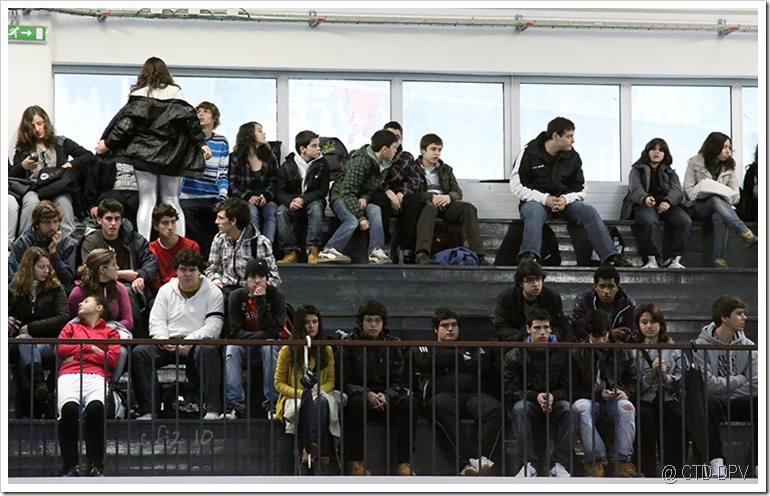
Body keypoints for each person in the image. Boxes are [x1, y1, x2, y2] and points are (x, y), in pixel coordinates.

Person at [96, 56, 212, 241]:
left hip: (143, 156)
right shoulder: (176, 93)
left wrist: (107, 143)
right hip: (172, 155)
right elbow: (190, 123)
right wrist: (202, 144)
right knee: (172, 200)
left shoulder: (140, 95)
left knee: (147, 200)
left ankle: (143, 245)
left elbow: (125, 125)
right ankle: (179, 244)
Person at [510, 116, 631, 267]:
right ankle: (529, 257)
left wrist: (565, 200)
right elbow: (517, 186)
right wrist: (544, 199)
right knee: (532, 211)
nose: (573, 140)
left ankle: (611, 257)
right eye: (569, 136)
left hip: (565, 204)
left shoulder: (573, 157)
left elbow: (581, 188)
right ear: (555, 136)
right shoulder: (528, 153)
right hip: (537, 202)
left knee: (588, 211)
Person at [131, 249, 225, 420]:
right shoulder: (166, 290)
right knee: (140, 353)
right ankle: (148, 410)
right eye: (183, 269)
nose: (187, 274)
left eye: (192, 270)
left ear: (200, 271)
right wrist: (162, 340)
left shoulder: (213, 292)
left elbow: (214, 325)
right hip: (169, 341)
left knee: (208, 351)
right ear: (176, 270)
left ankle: (213, 408)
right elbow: (156, 320)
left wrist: (191, 340)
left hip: (198, 342)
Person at [414, 308, 503, 476]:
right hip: (443, 395)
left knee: (494, 409)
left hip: (472, 394)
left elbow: (482, 366)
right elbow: (426, 362)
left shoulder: (471, 347)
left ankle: (482, 459)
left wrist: (446, 363)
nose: (450, 329)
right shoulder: (427, 347)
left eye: (454, 325)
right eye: (445, 325)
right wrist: (461, 358)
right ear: (436, 329)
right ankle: (469, 460)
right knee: (439, 406)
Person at [338, 300, 418, 476]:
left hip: (387, 395)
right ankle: (356, 464)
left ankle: (405, 465)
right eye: (369, 320)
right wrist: (367, 393)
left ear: (383, 322)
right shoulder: (349, 343)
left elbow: (399, 380)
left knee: (409, 403)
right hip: (360, 395)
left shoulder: (393, 343)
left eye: (377, 320)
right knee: (356, 404)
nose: (373, 325)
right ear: (361, 321)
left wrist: (386, 395)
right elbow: (344, 382)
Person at [504, 309, 578, 477]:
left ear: (551, 329)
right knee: (520, 409)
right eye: (537, 328)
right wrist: (534, 396)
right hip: (529, 401)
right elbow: (511, 389)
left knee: (570, 410)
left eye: (546, 327)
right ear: (528, 329)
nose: (542, 332)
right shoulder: (515, 355)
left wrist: (553, 396)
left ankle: (559, 465)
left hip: (555, 401)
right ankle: (528, 465)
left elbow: (569, 387)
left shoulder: (564, 353)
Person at [10, 105, 96, 240]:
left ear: (46, 122)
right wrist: (23, 166)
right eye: (32, 126)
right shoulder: (23, 148)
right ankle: (24, 242)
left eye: (39, 124)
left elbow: (88, 156)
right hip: (34, 188)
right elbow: (11, 175)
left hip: (57, 187)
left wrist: (70, 164)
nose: (37, 129)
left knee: (64, 201)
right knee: (31, 203)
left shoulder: (60, 142)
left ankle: (69, 243)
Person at [693, 295, 758, 476]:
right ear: (724, 317)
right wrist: (740, 379)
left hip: (739, 401)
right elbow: (707, 384)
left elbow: (757, 383)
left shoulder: (748, 345)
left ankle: (759, 463)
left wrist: (728, 389)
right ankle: (716, 462)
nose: (744, 318)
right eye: (739, 314)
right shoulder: (701, 346)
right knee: (706, 402)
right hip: (715, 403)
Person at [274, 304, 342, 476]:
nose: (312, 326)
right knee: (314, 403)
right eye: (307, 323)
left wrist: (314, 392)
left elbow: (331, 382)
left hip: (321, 394)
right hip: (294, 396)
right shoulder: (286, 351)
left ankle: (309, 450)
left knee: (322, 402)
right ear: (299, 326)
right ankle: (322, 456)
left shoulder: (326, 350)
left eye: (315, 322)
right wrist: (303, 393)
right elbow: (279, 383)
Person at [56, 294, 120, 477]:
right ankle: (69, 466)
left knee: (96, 410)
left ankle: (96, 465)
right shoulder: (70, 327)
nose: (80, 304)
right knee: (68, 411)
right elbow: (60, 348)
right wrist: (90, 348)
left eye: (86, 301)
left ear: (99, 308)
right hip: (69, 374)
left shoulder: (111, 332)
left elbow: (111, 359)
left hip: (96, 375)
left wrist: (75, 352)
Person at [572, 309, 640, 477]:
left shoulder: (622, 350)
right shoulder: (577, 353)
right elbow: (572, 389)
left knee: (627, 407)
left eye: (604, 335)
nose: (601, 340)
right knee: (580, 407)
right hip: (590, 400)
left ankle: (622, 461)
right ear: (588, 334)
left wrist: (626, 392)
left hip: (614, 401)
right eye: (596, 336)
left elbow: (634, 380)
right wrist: (597, 395)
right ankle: (596, 460)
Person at [79, 199, 158, 339]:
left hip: (134, 288)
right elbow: (90, 269)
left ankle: (139, 341)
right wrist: (123, 275)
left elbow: (152, 262)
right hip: (100, 286)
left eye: (117, 219)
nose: (113, 224)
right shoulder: (91, 241)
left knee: (131, 291)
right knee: (124, 291)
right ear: (99, 220)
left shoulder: (134, 238)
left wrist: (140, 275)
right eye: (108, 219)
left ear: (122, 221)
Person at [316, 130, 398, 264]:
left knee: (375, 210)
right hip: (340, 196)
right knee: (352, 221)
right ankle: (329, 250)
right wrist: (361, 217)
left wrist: (365, 197)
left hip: (357, 197)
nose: (396, 151)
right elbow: (347, 191)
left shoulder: (383, 165)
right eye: (394, 148)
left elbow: (372, 187)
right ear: (384, 149)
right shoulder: (361, 162)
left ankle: (376, 251)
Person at [9, 247, 70, 419]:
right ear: (30, 267)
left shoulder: (56, 289)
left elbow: (63, 317)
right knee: (24, 341)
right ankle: (40, 389)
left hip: (48, 341)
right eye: (41, 267)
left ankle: (33, 397)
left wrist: (32, 327)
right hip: (19, 342)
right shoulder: (14, 289)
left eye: (47, 267)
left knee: (26, 347)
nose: (46, 271)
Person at [683, 132, 758, 268]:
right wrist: (702, 192)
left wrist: (725, 194)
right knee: (713, 198)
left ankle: (719, 259)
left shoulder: (730, 166)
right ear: (714, 147)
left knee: (719, 213)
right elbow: (688, 190)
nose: (728, 151)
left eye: (729, 147)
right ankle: (743, 231)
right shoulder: (695, 162)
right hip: (699, 207)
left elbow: (736, 196)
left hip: (722, 209)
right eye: (724, 147)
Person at [223, 260, 287, 420]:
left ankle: (272, 404)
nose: (257, 281)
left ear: (267, 279)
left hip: (267, 348)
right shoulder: (236, 297)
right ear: (246, 280)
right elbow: (236, 332)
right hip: (246, 347)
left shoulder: (276, 296)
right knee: (231, 348)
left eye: (261, 276)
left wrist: (261, 303)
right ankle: (235, 406)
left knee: (269, 347)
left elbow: (277, 329)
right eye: (252, 277)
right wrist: (263, 335)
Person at [412, 134, 488, 265]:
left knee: (468, 208)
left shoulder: (446, 169)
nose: (437, 153)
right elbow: (412, 193)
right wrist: (430, 197)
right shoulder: (413, 168)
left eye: (439, 150)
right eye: (433, 149)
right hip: (426, 204)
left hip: (445, 204)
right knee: (429, 208)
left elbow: (457, 192)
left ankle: (479, 255)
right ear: (422, 150)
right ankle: (421, 254)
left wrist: (449, 197)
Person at [620, 138, 691, 269]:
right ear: (647, 152)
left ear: (665, 154)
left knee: (684, 220)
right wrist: (645, 198)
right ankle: (653, 259)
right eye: (653, 149)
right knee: (650, 220)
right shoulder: (637, 170)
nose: (656, 152)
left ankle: (673, 259)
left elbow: (677, 191)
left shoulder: (670, 172)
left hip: (667, 205)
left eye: (661, 150)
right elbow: (635, 190)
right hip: (644, 204)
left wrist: (668, 201)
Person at [632, 303, 684, 478]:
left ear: (661, 324)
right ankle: (646, 472)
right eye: (644, 322)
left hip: (668, 398)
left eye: (653, 322)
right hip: (645, 398)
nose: (648, 326)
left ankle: (674, 473)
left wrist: (665, 377)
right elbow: (633, 383)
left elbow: (681, 380)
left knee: (676, 416)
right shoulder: (634, 350)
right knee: (644, 418)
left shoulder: (673, 348)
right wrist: (651, 376)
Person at [205, 197, 281, 305]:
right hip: (225, 291)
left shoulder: (260, 242)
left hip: (250, 293)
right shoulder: (219, 239)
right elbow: (212, 270)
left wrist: (257, 288)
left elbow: (274, 278)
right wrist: (216, 281)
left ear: (233, 221)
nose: (216, 222)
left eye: (221, 218)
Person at [180, 101, 230, 259]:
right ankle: (203, 250)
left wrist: (223, 197)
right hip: (189, 196)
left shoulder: (221, 142)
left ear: (214, 117)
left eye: (205, 111)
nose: (200, 114)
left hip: (211, 196)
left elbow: (222, 174)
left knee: (222, 215)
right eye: (198, 111)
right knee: (183, 213)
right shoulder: (188, 140)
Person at [274, 130, 330, 264]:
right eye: (314, 146)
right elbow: (279, 192)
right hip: (292, 202)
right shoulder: (287, 166)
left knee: (316, 207)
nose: (318, 149)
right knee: (281, 211)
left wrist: (304, 199)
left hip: (312, 201)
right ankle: (290, 252)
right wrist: (290, 202)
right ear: (302, 149)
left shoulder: (322, 164)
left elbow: (322, 191)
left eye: (318, 145)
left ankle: (313, 250)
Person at [9, 200, 78, 292]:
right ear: (37, 224)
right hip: (29, 288)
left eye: (55, 221)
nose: (52, 227)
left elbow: (68, 278)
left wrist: (53, 253)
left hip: (56, 290)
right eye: (47, 222)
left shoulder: (67, 243)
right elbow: (13, 276)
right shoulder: (23, 243)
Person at [494, 259, 569, 342]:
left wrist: (552, 337)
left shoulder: (552, 297)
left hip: (546, 343)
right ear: (520, 283)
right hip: (515, 345)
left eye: (539, 279)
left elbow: (560, 326)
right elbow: (501, 328)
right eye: (530, 280)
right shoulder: (506, 297)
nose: (536, 284)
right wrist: (525, 339)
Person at [228, 121, 279, 244]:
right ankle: (254, 246)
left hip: (265, 198)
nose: (264, 133)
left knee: (272, 210)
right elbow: (233, 183)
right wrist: (249, 196)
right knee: (252, 212)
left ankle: (267, 246)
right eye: (259, 130)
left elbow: (275, 181)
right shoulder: (236, 157)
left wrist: (266, 196)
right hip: (244, 199)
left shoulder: (269, 156)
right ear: (249, 134)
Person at [381, 122, 424, 264]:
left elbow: (414, 180)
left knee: (415, 200)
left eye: (397, 137)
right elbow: (373, 180)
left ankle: (408, 249)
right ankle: (385, 246)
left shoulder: (406, 157)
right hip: (383, 193)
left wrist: (401, 193)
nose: (394, 139)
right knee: (380, 200)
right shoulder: (378, 155)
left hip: (401, 195)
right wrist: (388, 192)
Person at [570, 265, 636, 343]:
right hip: (588, 348)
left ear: (617, 287)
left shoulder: (628, 304)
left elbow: (633, 331)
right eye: (602, 286)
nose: (606, 291)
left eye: (611, 286)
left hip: (619, 349)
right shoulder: (584, 300)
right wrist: (609, 334)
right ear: (595, 287)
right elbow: (578, 329)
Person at [148, 203, 200, 292]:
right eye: (165, 223)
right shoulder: (151, 249)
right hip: (162, 293)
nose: (170, 227)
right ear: (156, 226)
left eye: (173, 222)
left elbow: (195, 276)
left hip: (187, 290)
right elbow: (155, 282)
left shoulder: (191, 246)